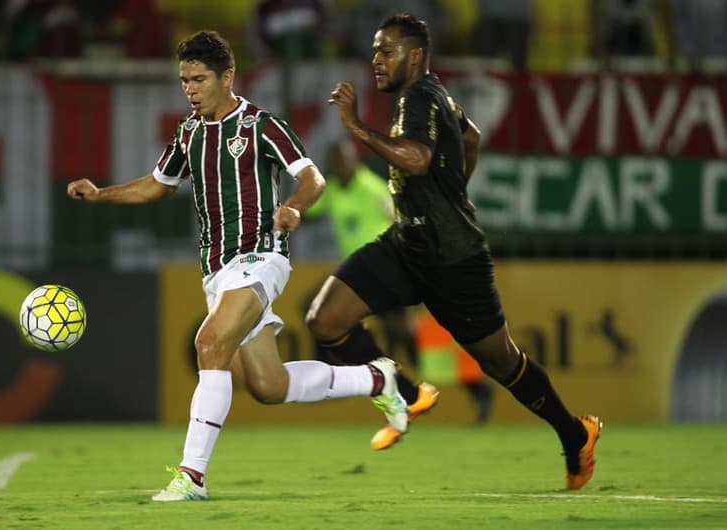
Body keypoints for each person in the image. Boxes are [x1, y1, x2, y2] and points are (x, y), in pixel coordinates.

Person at [67, 30, 408, 501]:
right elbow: (159, 185)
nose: (190, 88)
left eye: (199, 79)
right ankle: (375, 377)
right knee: (269, 385)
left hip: (261, 256)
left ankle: (192, 476)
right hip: (218, 269)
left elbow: (313, 177)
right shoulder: (188, 131)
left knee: (209, 342)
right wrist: (100, 194)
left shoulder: (261, 126)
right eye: (184, 80)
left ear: (227, 76)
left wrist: (293, 208)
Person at [308, 13, 601, 489]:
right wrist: (454, 191)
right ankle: (408, 394)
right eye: (375, 50)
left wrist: (356, 127)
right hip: (408, 242)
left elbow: (418, 159)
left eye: (387, 50)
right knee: (326, 320)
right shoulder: (434, 95)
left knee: (501, 362)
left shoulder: (420, 96)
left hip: (454, 258)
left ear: (416, 54)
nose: (376, 60)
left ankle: (575, 435)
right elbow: (472, 137)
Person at [304, 138, 441, 450]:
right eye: (335, 162)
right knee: (319, 314)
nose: (339, 167)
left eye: (343, 160)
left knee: (407, 336)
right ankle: (395, 387)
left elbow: (399, 220)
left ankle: (462, 389)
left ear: (354, 161)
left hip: (382, 275)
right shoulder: (335, 190)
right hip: (354, 280)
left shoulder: (373, 188)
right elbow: (311, 210)